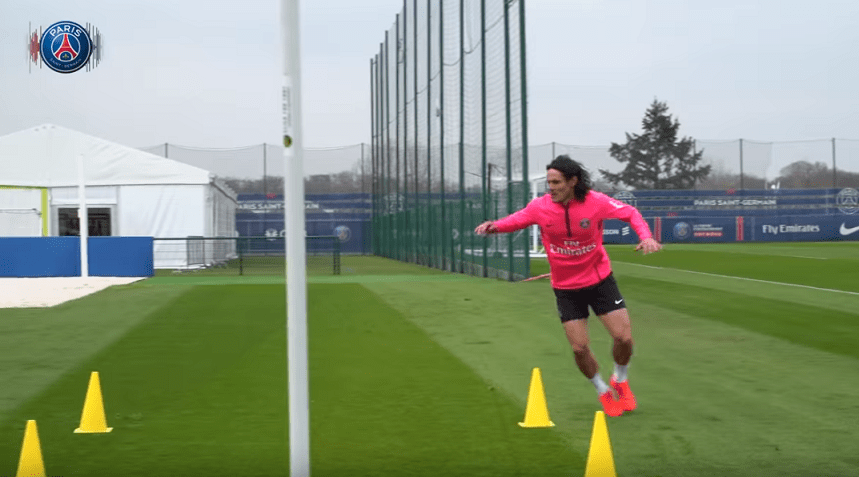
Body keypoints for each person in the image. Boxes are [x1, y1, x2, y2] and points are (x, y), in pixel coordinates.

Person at [474, 155, 661, 417]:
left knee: (623, 338)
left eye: (556, 182)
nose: (551, 187)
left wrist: (647, 237)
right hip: (566, 288)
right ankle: (602, 390)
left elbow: (629, 213)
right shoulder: (541, 206)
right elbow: (517, 219)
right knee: (579, 348)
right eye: (549, 182)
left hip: (600, 281)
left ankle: (620, 378)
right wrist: (494, 227)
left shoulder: (595, 202)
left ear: (573, 181)